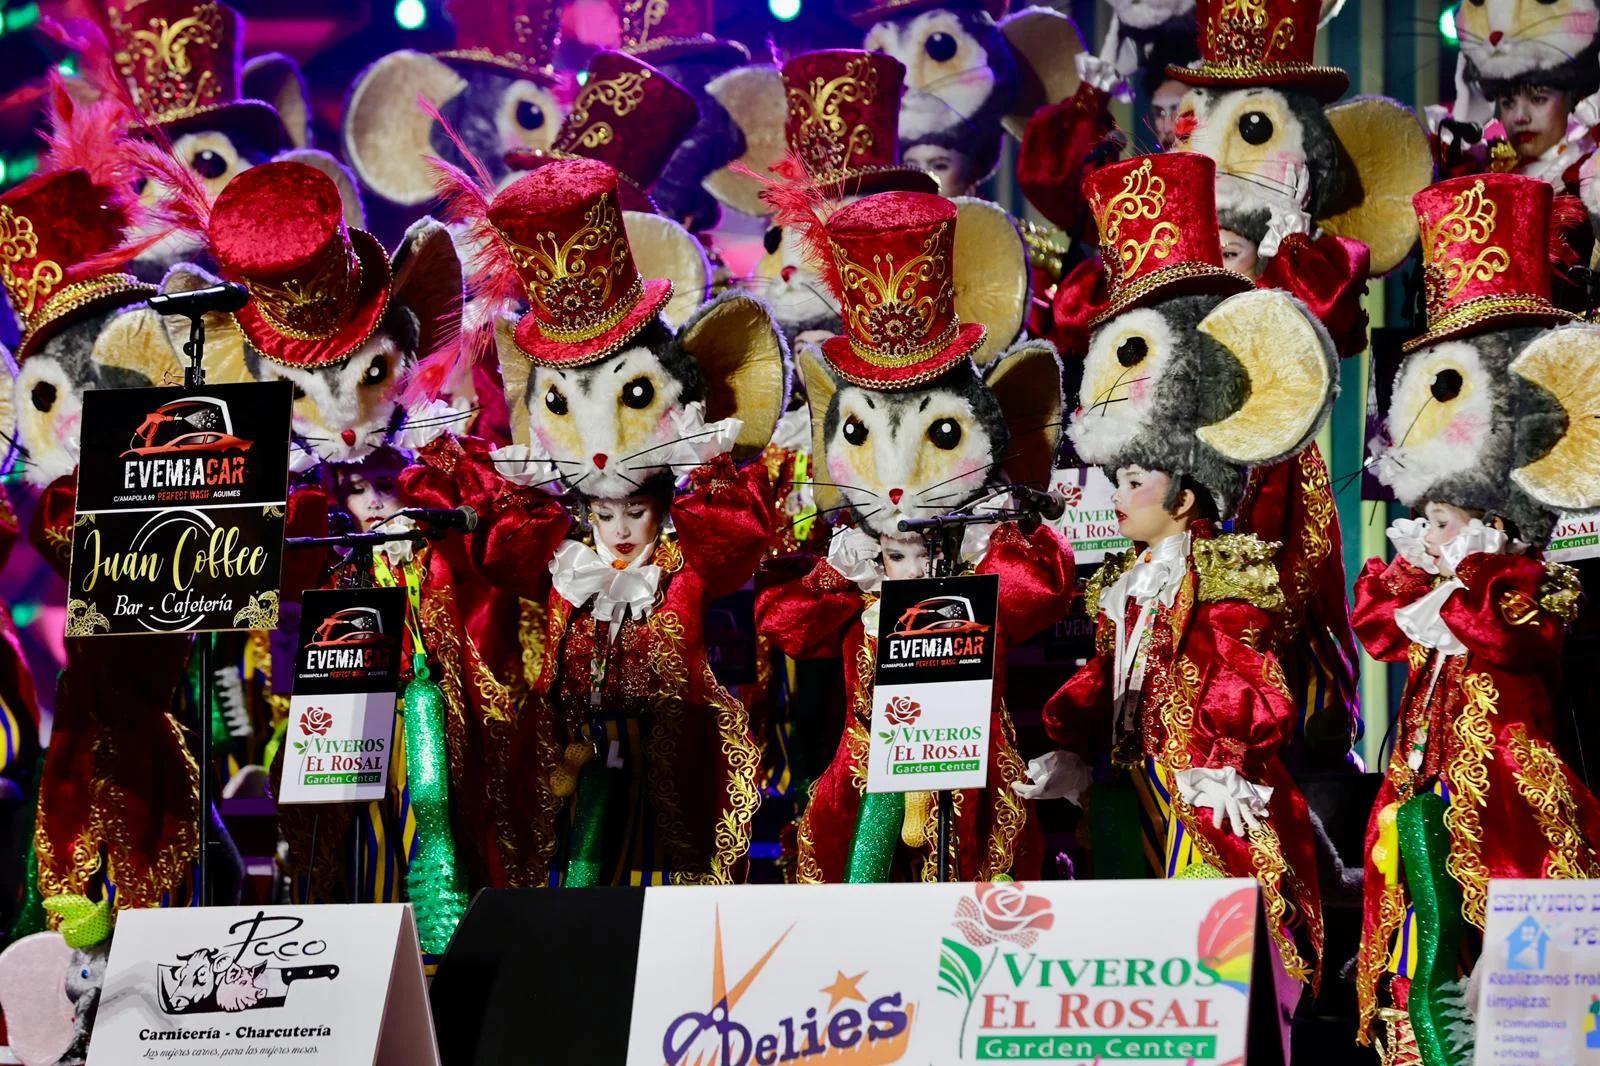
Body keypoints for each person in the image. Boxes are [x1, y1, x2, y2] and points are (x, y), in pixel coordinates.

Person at [1017, 154, 1339, 1054]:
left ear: (1186, 493)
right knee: (1127, 934)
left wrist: (1226, 759)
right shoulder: (1124, 582)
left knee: (1202, 951)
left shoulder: (1222, 572)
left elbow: (1246, 675)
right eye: (1117, 477)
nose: (1118, 494)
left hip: (1195, 790)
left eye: (1136, 479)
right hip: (1129, 788)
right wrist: (1072, 742)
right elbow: (1103, 677)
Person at [1354, 172, 1600, 1061]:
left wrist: (1465, 579)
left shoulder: (1519, 571)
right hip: (1426, 764)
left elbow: (1515, 633)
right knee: (1419, 908)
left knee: (1509, 896)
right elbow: (1379, 625)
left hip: (1505, 762)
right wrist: (1432, 577)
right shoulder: (1428, 565)